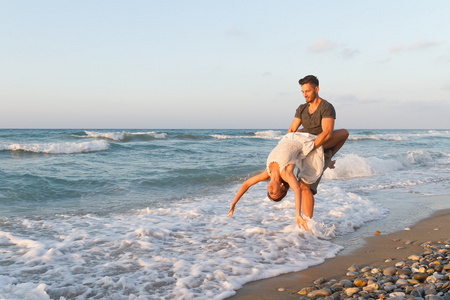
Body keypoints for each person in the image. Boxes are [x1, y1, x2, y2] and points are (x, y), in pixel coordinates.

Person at [227, 132, 326, 231]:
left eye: (269, 193)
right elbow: (296, 189)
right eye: (274, 193)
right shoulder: (286, 174)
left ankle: (329, 161)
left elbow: (246, 184)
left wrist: (234, 202)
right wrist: (297, 215)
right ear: (282, 187)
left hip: (288, 137)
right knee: (330, 134)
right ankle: (329, 160)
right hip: (303, 141)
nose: (270, 191)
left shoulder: (266, 173)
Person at [287, 75, 349, 218]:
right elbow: (291, 131)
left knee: (304, 187)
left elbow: (327, 133)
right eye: (302, 92)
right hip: (305, 152)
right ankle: (306, 226)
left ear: (317, 89)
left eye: (307, 91)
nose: (305, 95)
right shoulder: (301, 109)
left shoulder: (326, 107)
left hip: (319, 150)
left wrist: (309, 149)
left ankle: (309, 227)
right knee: (301, 187)